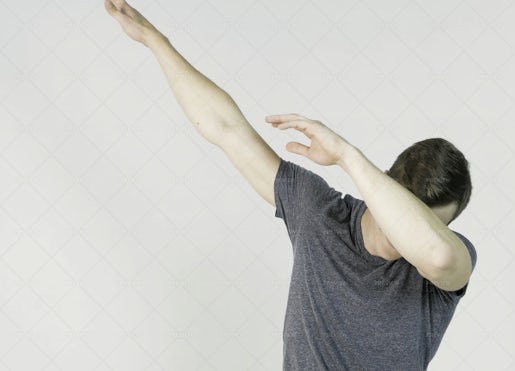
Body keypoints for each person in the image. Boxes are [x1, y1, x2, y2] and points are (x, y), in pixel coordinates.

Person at [104, 0, 477, 369]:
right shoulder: (320, 213)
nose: (409, 234)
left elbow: (439, 255)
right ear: (386, 184)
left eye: (432, 224)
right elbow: (226, 128)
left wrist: (347, 155)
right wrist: (156, 41)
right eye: (407, 210)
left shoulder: (451, 262)